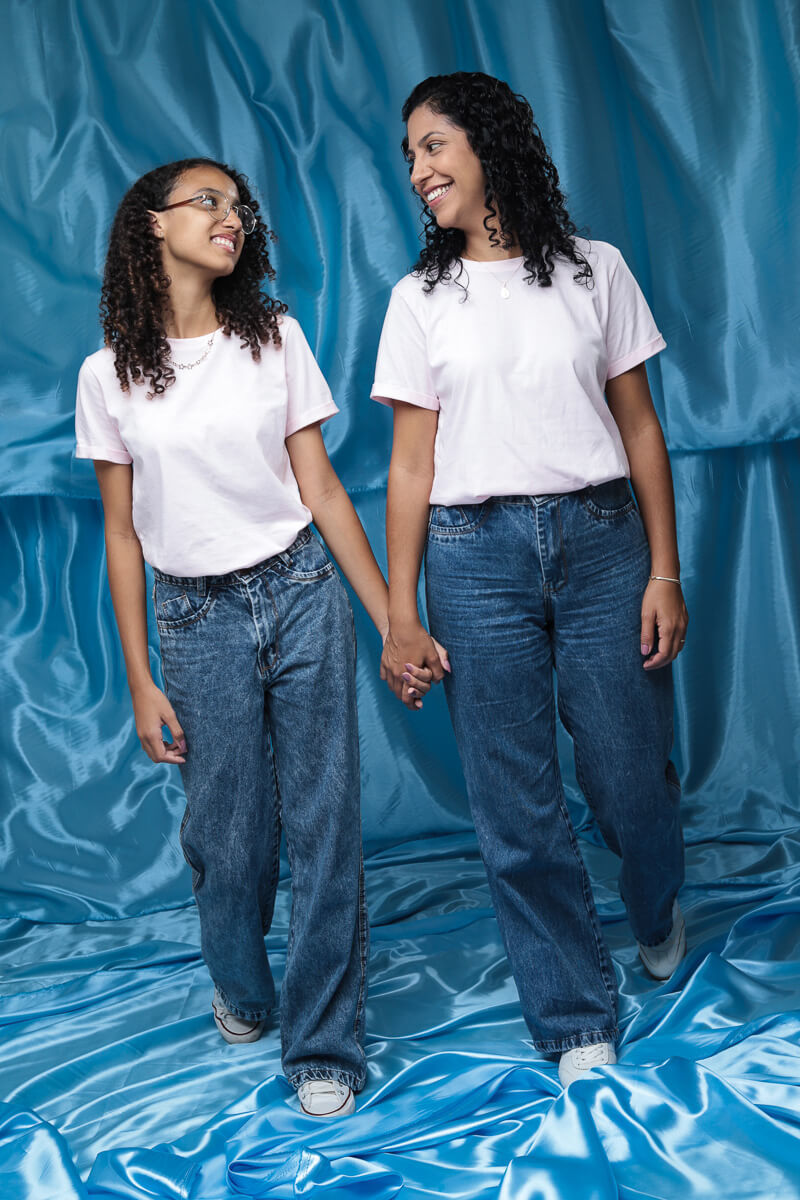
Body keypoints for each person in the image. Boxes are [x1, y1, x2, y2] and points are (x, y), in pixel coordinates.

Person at [75, 157, 438, 1118]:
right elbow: (121, 533)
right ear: (151, 225)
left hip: (302, 590)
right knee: (229, 844)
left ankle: (324, 1044)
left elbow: (320, 490)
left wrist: (394, 621)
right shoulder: (107, 374)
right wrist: (140, 679)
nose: (229, 219)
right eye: (207, 203)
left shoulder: (273, 336)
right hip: (193, 620)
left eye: (238, 209)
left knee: (325, 827)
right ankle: (241, 988)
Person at [373, 73, 688, 1087]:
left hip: (603, 545)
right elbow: (411, 467)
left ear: (488, 141)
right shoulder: (418, 300)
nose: (418, 169)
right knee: (514, 807)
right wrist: (399, 611)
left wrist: (664, 572)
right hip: (472, 559)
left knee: (627, 776)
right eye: (409, 155)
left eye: (431, 145)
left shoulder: (595, 270)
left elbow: (639, 427)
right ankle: (571, 1017)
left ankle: (654, 900)